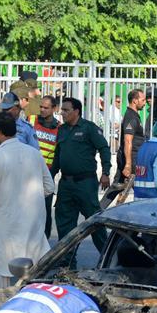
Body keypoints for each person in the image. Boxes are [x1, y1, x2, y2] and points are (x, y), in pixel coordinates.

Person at [0, 112, 55, 290]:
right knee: (31, 278)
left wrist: (0, 203)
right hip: (32, 225)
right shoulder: (34, 154)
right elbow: (49, 187)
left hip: (2, 224)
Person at [51, 97, 111, 259]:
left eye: (66, 110)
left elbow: (104, 148)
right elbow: (58, 156)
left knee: (94, 222)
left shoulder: (89, 128)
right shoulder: (62, 129)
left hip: (85, 183)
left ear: (76, 111)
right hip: (66, 184)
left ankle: (107, 257)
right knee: (64, 224)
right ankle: (67, 261)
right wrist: (50, 177)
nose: (62, 113)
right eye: (62, 110)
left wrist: (106, 172)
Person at [32, 96, 61, 238]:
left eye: (46, 107)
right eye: (41, 107)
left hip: (47, 172)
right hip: (30, 171)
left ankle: (44, 238)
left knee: (45, 208)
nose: (42, 110)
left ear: (54, 109)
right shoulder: (32, 120)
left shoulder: (60, 128)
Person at [120, 89, 146, 181]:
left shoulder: (134, 115)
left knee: (121, 185)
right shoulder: (131, 117)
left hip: (134, 156)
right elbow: (128, 141)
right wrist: (128, 164)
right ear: (135, 101)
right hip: (132, 157)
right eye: (143, 100)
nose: (145, 103)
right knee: (136, 184)